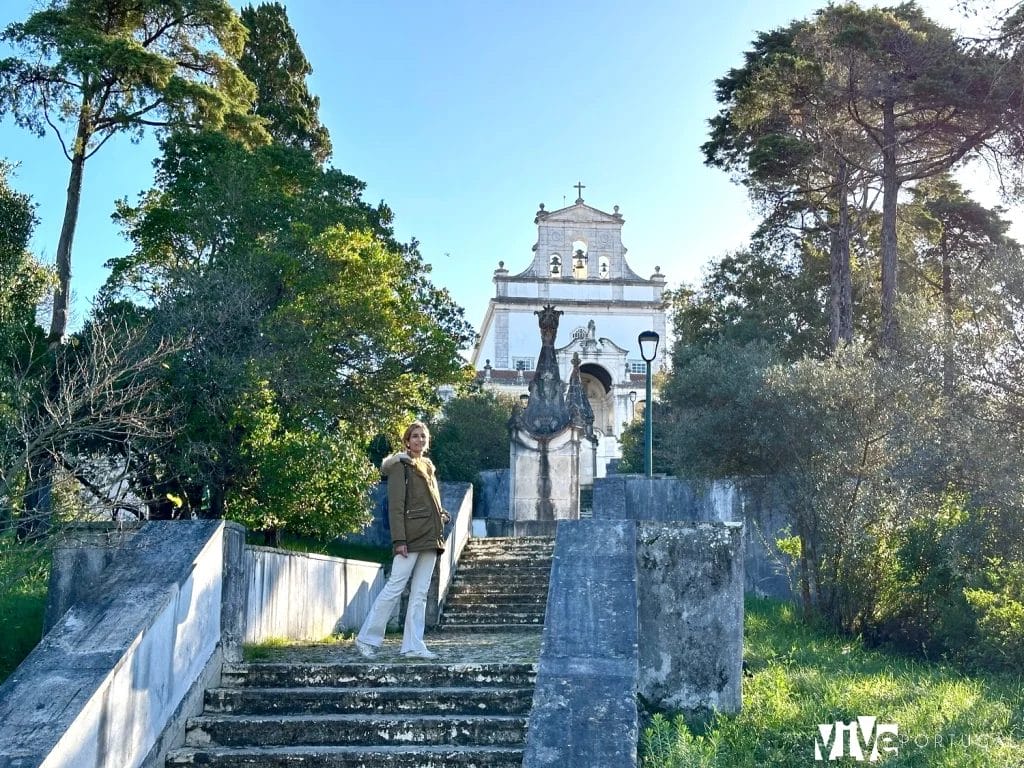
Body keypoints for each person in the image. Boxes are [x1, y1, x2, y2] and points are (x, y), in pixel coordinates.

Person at [355, 420, 449, 659]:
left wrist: (441, 515)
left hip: (431, 537)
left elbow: (431, 501)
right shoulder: (400, 466)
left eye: (423, 436)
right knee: (394, 587)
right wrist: (399, 541)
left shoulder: (428, 466)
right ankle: (367, 639)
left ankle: (413, 645)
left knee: (420, 593)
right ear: (407, 441)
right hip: (409, 537)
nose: (419, 440)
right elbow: (396, 507)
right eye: (415, 436)